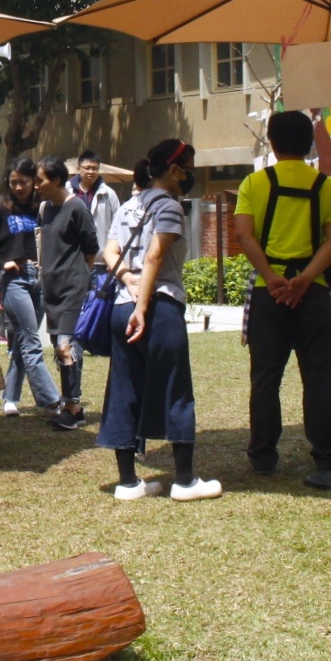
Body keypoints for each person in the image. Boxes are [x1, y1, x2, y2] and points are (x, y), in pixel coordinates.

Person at [99, 139, 220, 501]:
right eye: (188, 167)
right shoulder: (169, 206)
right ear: (173, 169)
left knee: (124, 389)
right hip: (160, 306)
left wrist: (126, 281)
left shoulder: (129, 205)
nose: (191, 175)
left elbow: (110, 250)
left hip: (121, 307)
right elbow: (155, 257)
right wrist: (143, 304)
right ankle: (185, 480)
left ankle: (127, 482)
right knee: (175, 388)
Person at [233, 110, 331, 477]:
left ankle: (263, 454)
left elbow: (244, 235)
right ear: (308, 143)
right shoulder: (327, 186)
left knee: (265, 377)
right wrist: (306, 278)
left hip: (270, 293)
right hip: (314, 294)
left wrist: (272, 276)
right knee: (319, 377)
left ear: (272, 142)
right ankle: (327, 452)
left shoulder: (255, 183)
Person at [0, 157, 70, 427]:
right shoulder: (2, 209)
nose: (18, 187)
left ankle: (10, 398)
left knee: (24, 343)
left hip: (39, 279)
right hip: (14, 281)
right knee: (31, 340)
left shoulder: (42, 208)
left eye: (23, 182)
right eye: (13, 182)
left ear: (33, 182)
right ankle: (52, 401)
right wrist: (0, 263)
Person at [35, 156, 99, 429]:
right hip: (51, 288)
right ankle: (71, 405)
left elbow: (91, 248)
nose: (36, 186)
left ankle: (72, 406)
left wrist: (80, 277)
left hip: (73, 286)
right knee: (58, 347)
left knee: (66, 346)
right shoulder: (44, 209)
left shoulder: (77, 208)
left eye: (41, 180)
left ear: (57, 179)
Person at [68, 150, 122, 251]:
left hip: (99, 257)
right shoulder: (67, 191)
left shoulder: (108, 194)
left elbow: (118, 224)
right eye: (87, 168)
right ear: (78, 168)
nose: (91, 172)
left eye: (95, 168)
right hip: (72, 256)